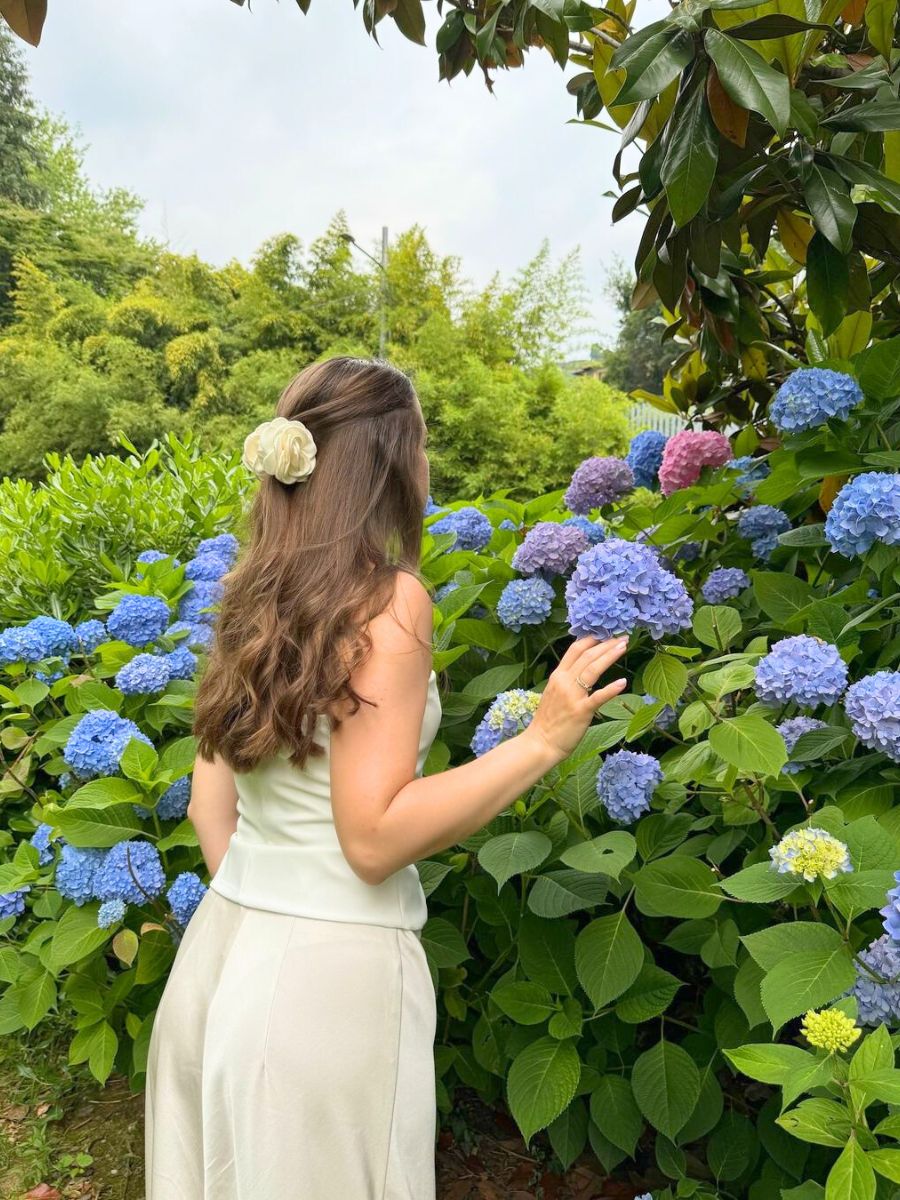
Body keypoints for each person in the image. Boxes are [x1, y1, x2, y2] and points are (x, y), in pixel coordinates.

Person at [143, 355, 629, 1199]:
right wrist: (544, 742)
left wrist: (269, 907)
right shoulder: (388, 603)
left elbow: (206, 806)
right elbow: (372, 840)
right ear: (392, 460)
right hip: (328, 986)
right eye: (422, 445)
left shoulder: (251, 593)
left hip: (220, 963)